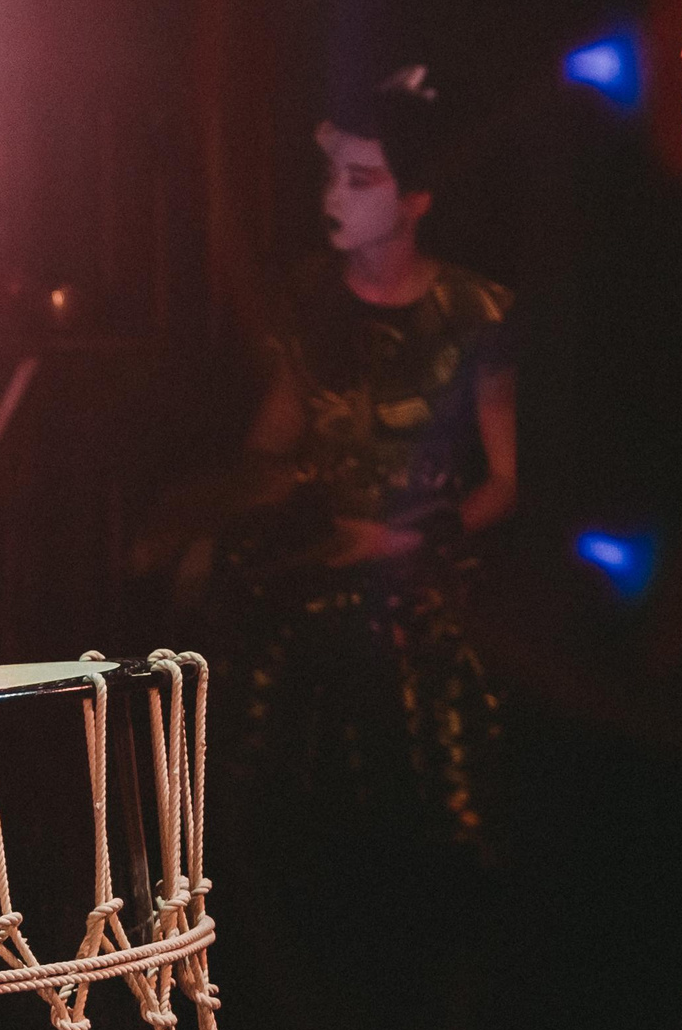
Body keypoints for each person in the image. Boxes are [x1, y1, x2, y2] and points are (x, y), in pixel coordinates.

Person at [200, 65, 517, 857]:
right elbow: (266, 448)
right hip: (313, 589)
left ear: (414, 200)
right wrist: (283, 510)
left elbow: (508, 479)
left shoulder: (476, 313)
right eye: (332, 177)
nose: (335, 196)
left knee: (442, 813)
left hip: (431, 599)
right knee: (284, 812)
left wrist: (410, 542)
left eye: (362, 179)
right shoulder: (308, 303)